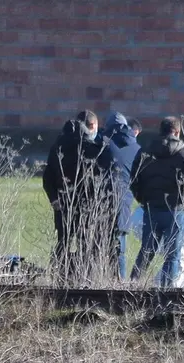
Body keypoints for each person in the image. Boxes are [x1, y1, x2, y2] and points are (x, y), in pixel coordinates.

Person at [42, 110, 118, 283]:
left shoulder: (57, 147)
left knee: (63, 242)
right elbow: (102, 178)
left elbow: (47, 177)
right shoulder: (93, 149)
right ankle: (83, 278)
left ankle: (58, 277)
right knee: (86, 243)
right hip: (87, 207)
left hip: (63, 205)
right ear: (91, 127)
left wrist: (54, 199)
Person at [129, 116, 184, 288]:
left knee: (146, 252)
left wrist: (143, 199)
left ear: (161, 130)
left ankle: (132, 287)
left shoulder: (145, 152)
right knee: (172, 255)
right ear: (177, 132)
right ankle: (166, 293)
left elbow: (134, 179)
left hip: (151, 208)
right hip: (175, 210)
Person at [101, 112, 141, 279]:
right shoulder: (136, 148)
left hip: (101, 204)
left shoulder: (102, 144)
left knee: (95, 251)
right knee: (119, 253)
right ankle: (119, 286)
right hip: (124, 204)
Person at [129, 206, 184, 288]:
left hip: (145, 212)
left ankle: (135, 284)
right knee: (177, 256)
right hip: (167, 212)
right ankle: (164, 289)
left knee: (148, 251)